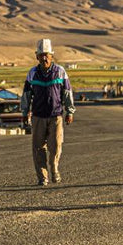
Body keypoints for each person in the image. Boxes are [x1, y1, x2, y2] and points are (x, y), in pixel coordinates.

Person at [21, 38, 75, 186]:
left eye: (47, 55)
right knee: (38, 148)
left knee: (56, 145)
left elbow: (67, 92)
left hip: (55, 116)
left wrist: (70, 111)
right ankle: (42, 177)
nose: (44, 58)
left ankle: (54, 168)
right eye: (41, 55)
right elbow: (26, 94)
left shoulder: (60, 72)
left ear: (52, 56)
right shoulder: (32, 74)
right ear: (36, 56)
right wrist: (25, 111)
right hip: (38, 116)